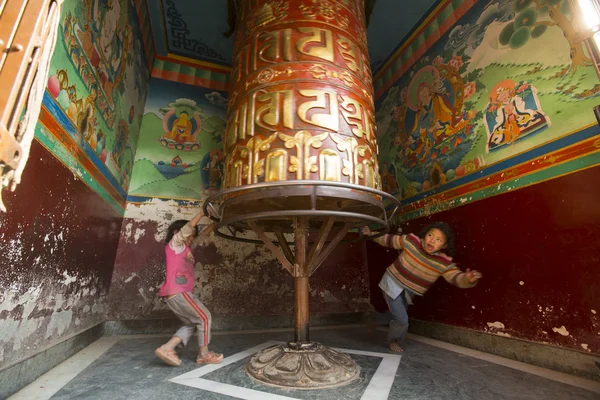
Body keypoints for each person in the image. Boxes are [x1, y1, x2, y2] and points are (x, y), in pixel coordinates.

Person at [362, 222, 482, 353]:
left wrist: (468, 279)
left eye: (438, 240)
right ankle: (393, 340)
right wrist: (371, 234)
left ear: (444, 245)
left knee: (396, 314)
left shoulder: (443, 262)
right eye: (430, 235)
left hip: (408, 292)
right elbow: (389, 240)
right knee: (402, 320)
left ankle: (374, 319)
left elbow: (455, 277)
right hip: (393, 282)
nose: (432, 240)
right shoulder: (412, 241)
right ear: (425, 235)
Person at [154, 212, 223, 366]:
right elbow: (188, 229)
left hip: (175, 295)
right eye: (189, 234)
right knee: (204, 317)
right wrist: (202, 213)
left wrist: (218, 221)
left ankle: (167, 348)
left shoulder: (186, 248)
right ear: (176, 233)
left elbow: (203, 234)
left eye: (193, 236)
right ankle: (204, 355)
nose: (191, 237)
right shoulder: (175, 245)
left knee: (191, 324)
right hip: (179, 292)